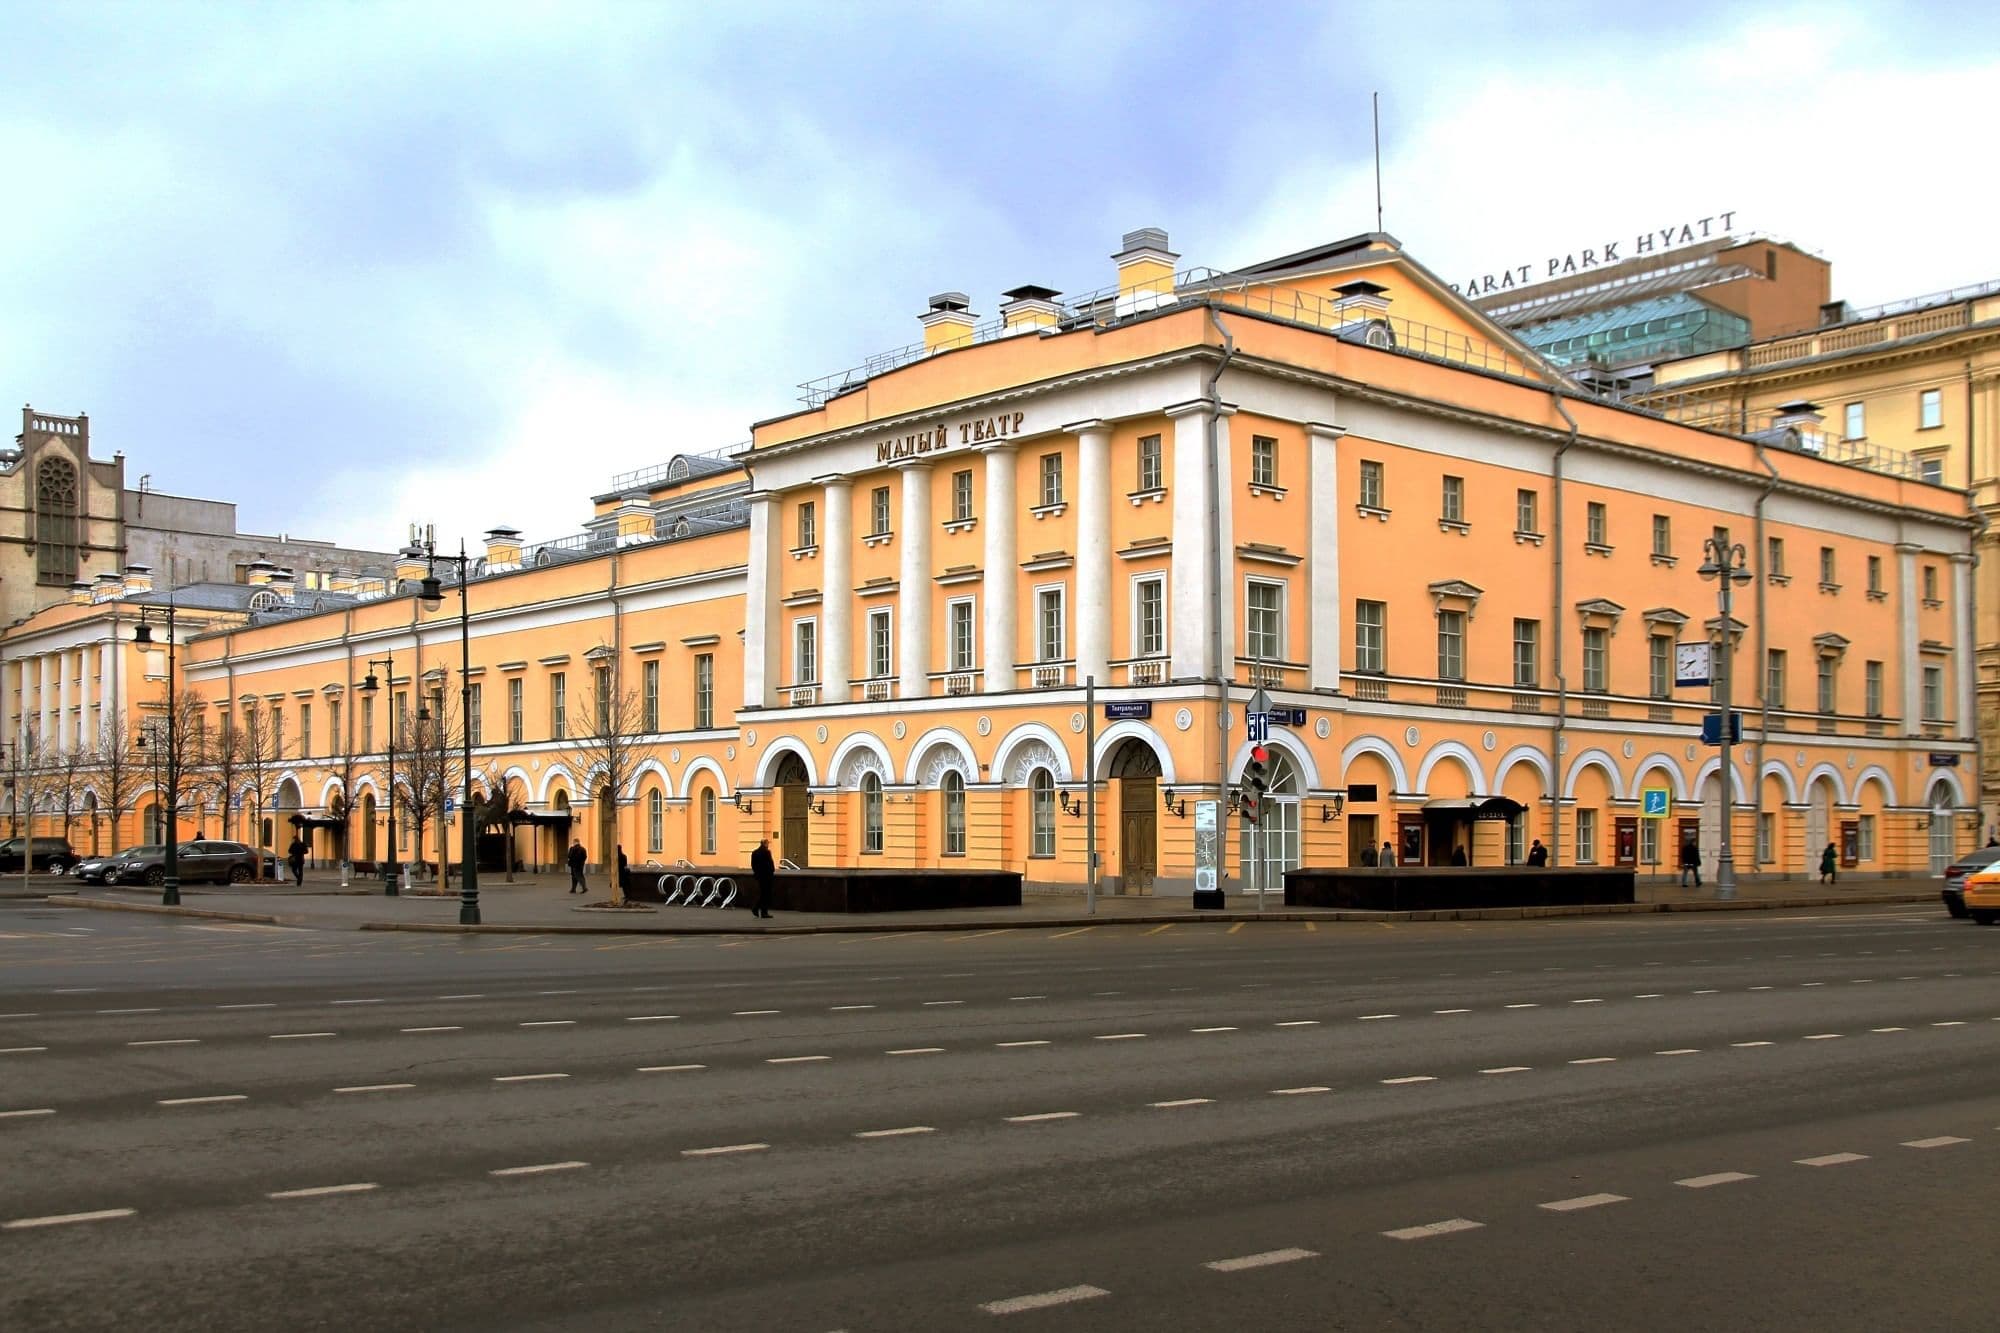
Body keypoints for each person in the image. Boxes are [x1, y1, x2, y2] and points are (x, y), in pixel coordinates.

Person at [750, 836, 776, 919]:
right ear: (764, 844)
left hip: (759, 877)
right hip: (767, 876)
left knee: (762, 894)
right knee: (766, 895)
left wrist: (757, 874)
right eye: (767, 843)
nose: (768, 845)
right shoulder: (766, 852)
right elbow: (770, 864)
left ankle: (757, 909)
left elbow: (753, 865)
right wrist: (772, 871)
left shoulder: (755, 852)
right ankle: (762, 911)